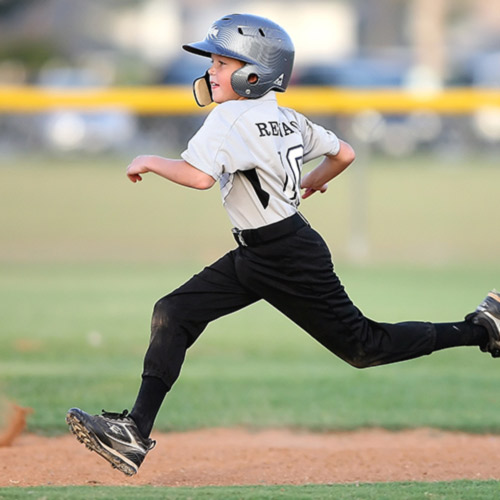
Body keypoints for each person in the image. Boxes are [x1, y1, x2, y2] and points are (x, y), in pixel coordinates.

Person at [66, 13, 500, 476]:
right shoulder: (285, 115)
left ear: (254, 73)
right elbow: (344, 153)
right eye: (212, 62)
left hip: (286, 257)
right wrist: (311, 182)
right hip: (266, 250)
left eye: (220, 61)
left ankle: (482, 328)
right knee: (174, 312)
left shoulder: (230, 116)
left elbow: (197, 177)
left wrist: (150, 159)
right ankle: (134, 431)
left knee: (364, 346)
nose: (211, 71)